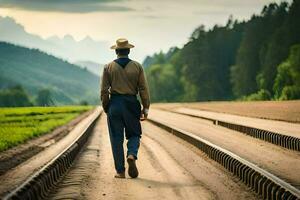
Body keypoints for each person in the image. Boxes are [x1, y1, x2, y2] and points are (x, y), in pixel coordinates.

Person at [100, 38, 150, 178]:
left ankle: (120, 172)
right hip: (131, 104)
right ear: (128, 51)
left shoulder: (108, 67)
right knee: (134, 134)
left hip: (115, 104)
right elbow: (143, 89)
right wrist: (145, 108)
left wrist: (106, 107)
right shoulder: (137, 66)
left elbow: (104, 91)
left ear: (116, 51)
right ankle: (132, 154)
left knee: (116, 138)